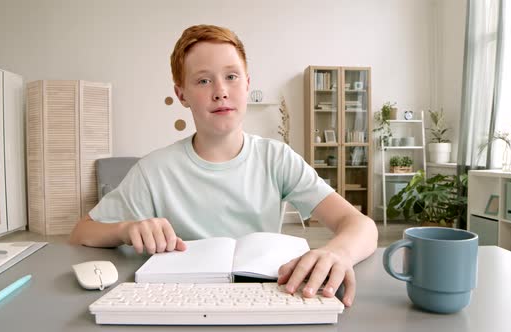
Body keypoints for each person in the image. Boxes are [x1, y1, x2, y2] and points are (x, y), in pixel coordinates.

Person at [69, 24, 377, 306]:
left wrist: (337, 252)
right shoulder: (153, 170)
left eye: (231, 76)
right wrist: (126, 229)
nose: (220, 91)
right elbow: (82, 231)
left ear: (246, 83)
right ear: (181, 94)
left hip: (265, 298)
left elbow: (361, 225)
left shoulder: (277, 158)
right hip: (179, 302)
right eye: (203, 80)